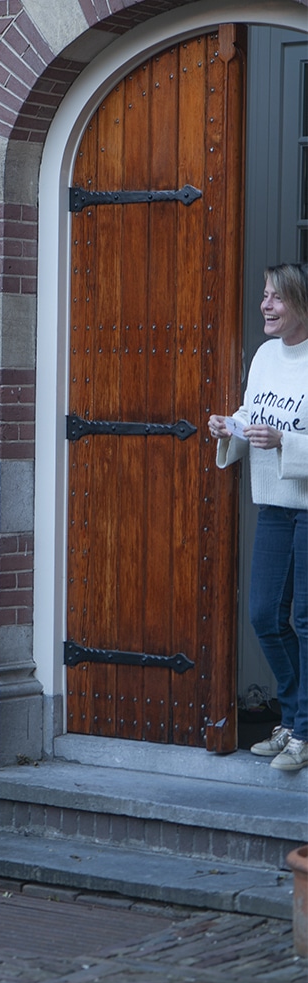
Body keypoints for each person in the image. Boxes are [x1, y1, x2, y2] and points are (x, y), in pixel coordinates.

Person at [208, 263, 308, 771]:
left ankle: (303, 733)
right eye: (265, 295)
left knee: (306, 622)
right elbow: (255, 414)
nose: (265, 305)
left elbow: (281, 431)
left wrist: (285, 441)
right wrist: (231, 425)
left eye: (276, 297)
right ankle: (294, 720)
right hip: (273, 505)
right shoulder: (267, 355)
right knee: (264, 616)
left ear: (302, 304)